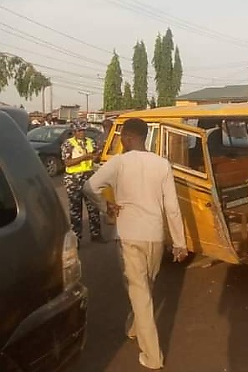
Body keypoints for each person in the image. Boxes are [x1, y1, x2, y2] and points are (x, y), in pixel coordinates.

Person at [83, 118, 189, 370]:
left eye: (121, 135)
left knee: (139, 293)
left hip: (129, 235)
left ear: (129, 137)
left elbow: (89, 187)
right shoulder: (162, 164)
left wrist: (105, 206)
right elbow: (172, 208)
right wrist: (179, 243)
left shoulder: (118, 162)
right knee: (144, 288)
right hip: (155, 237)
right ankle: (133, 327)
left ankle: (152, 357)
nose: (120, 139)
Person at [61, 119, 102, 246]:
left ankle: (96, 235)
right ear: (74, 132)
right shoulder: (68, 144)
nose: (82, 133)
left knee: (93, 208)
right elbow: (67, 162)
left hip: (89, 177)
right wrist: (84, 157)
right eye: (79, 131)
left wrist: (96, 157)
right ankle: (77, 239)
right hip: (73, 179)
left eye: (84, 130)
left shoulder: (91, 142)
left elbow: (96, 158)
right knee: (75, 210)